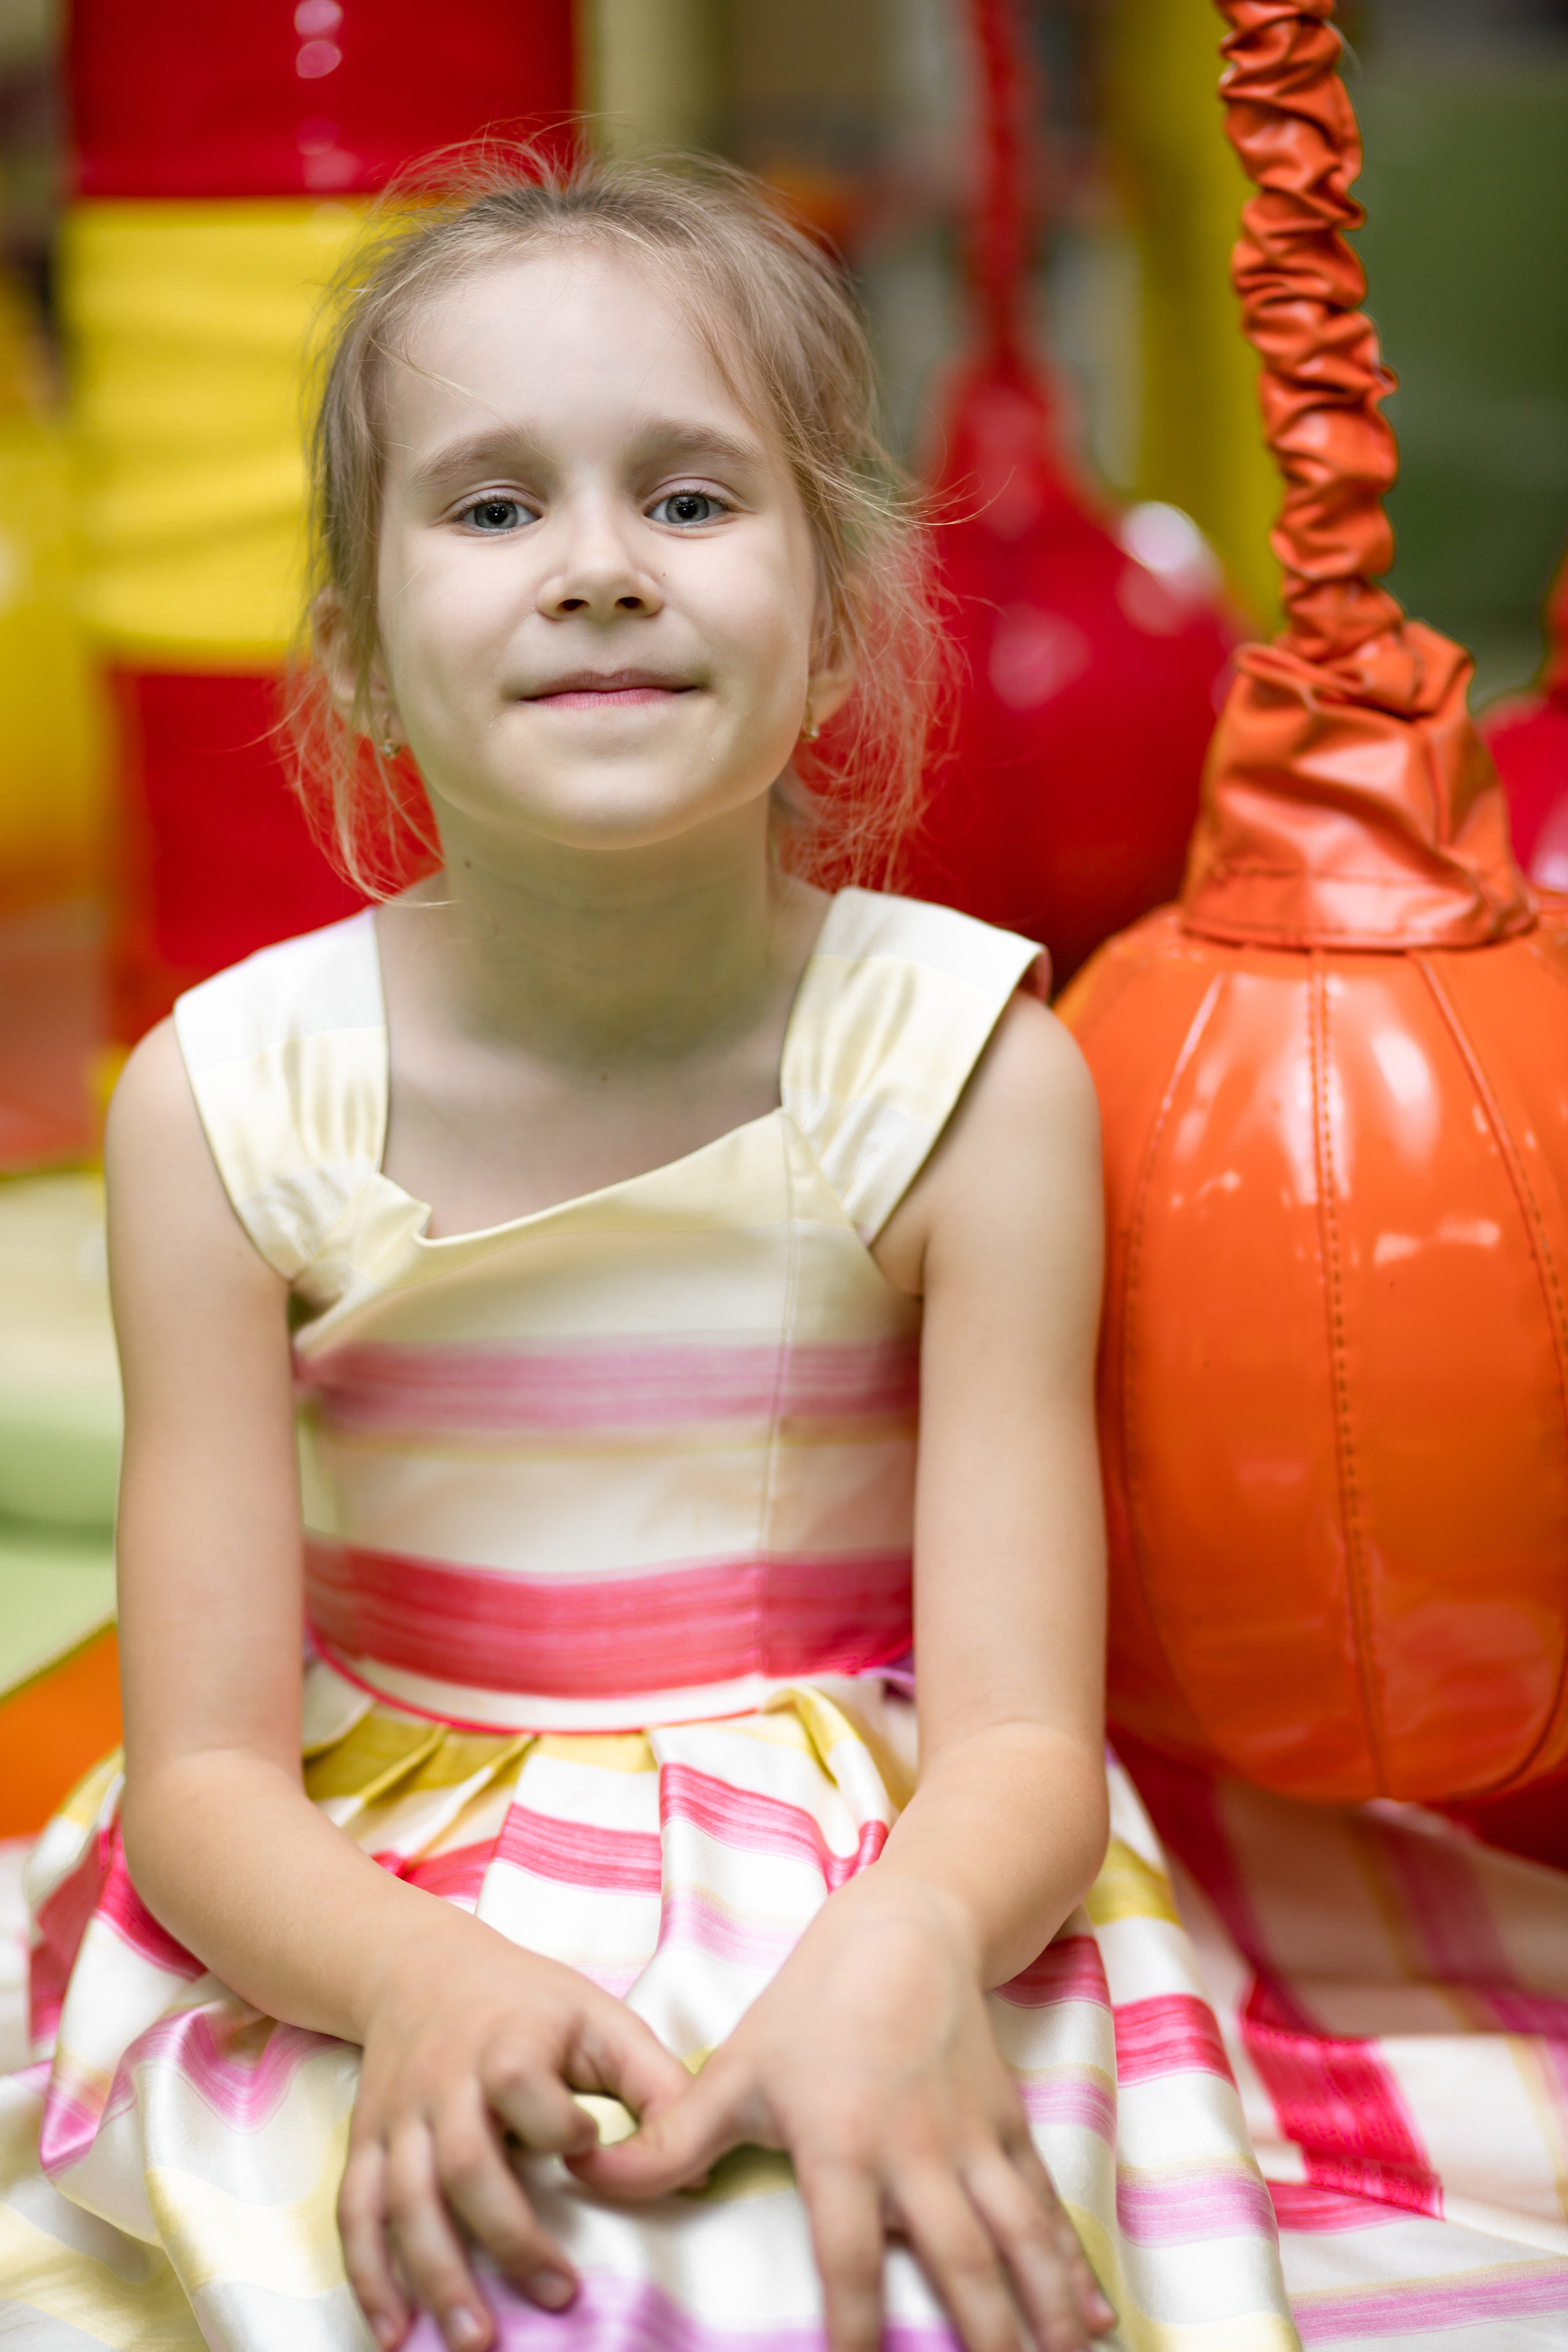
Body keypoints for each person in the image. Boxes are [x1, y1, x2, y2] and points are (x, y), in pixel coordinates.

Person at [0, 156, 1298, 2352]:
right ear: (356, 651)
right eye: (494, 507)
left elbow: (1021, 1741)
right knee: (441, 2266)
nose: (600, 568)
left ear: (841, 623)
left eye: (691, 500)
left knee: (842, 2268)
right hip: (368, 1885)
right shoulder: (220, 1102)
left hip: (883, 1870)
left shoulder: (971, 1073)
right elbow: (206, 1775)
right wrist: (411, 1976)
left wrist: (904, 1957)